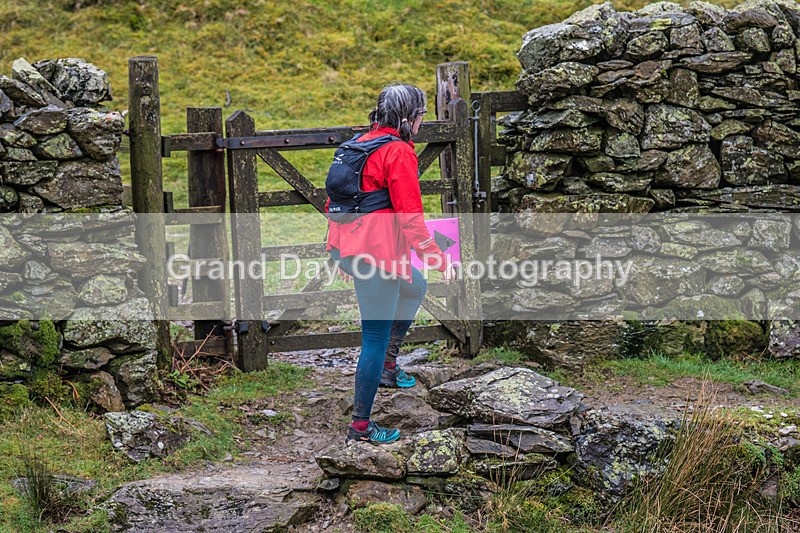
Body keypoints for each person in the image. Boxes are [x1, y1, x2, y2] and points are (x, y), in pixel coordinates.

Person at [325, 83, 457, 444]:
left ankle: (387, 365)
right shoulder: (397, 152)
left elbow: (337, 202)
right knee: (373, 337)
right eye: (421, 115)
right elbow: (409, 216)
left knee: (414, 285)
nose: (422, 121)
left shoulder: (360, 143)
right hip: (375, 255)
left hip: (350, 246)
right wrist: (438, 258)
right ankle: (361, 427)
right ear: (408, 117)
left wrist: (341, 251)